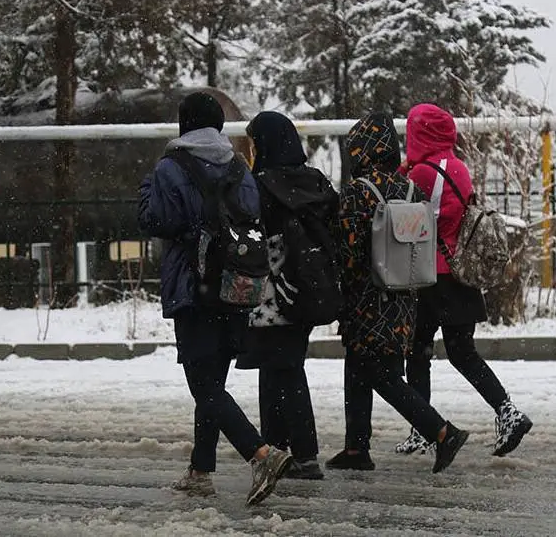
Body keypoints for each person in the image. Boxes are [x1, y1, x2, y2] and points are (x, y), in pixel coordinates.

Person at [138, 92, 292, 505]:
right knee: (213, 382)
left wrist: (147, 188)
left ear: (184, 125)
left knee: (204, 386)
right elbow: (251, 213)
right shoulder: (239, 166)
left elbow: (154, 220)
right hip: (234, 285)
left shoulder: (169, 167)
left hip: (193, 287)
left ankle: (260, 454)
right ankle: (201, 469)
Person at [327, 112, 469, 474]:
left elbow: (348, 251)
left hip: (367, 298)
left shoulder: (359, 192)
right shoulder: (411, 189)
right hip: (404, 293)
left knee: (379, 374)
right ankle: (356, 448)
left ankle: (441, 431)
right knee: (360, 367)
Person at [396, 103, 533, 457]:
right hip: (462, 275)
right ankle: (507, 411)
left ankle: (422, 429)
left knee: (418, 353)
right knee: (463, 352)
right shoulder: (459, 167)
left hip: (431, 278)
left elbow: (407, 222)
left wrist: (402, 174)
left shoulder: (420, 174)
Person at [237, 111, 339, 481]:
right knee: (278, 367)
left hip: (273, 294)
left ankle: (305, 455)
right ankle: (276, 447)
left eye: (253, 143)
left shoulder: (261, 185)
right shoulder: (314, 181)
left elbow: (251, 236)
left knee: (286, 371)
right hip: (310, 290)